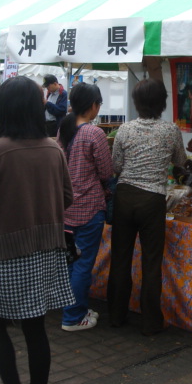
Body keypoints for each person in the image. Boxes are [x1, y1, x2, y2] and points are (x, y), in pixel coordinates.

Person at [0, 76, 75, 384]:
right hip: (48, 248)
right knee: (35, 326)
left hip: (8, 248)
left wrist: (2, 222)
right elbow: (67, 197)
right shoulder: (53, 148)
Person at [107, 78, 187, 336]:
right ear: (162, 102)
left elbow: (115, 167)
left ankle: (116, 315)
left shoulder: (124, 130)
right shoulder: (171, 130)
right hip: (152, 200)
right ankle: (151, 322)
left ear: (137, 103)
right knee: (151, 263)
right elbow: (180, 161)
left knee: (120, 258)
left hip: (125, 196)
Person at [58, 83, 113, 331]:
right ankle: (73, 317)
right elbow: (106, 171)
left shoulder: (65, 129)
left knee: (71, 262)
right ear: (93, 105)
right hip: (89, 209)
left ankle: (75, 309)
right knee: (82, 264)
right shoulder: (94, 134)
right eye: (98, 104)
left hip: (65, 208)